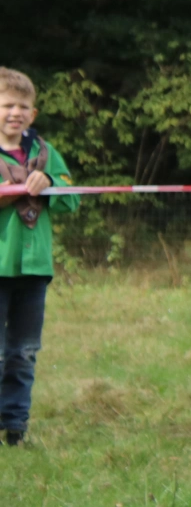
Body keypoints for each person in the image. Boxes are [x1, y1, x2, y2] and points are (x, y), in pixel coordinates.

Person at [0, 68, 79, 447]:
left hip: (34, 269)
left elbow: (73, 199)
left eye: (23, 106)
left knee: (24, 351)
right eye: (7, 104)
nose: (15, 112)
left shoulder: (46, 153)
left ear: (33, 114)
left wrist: (49, 184)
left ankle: (16, 429)